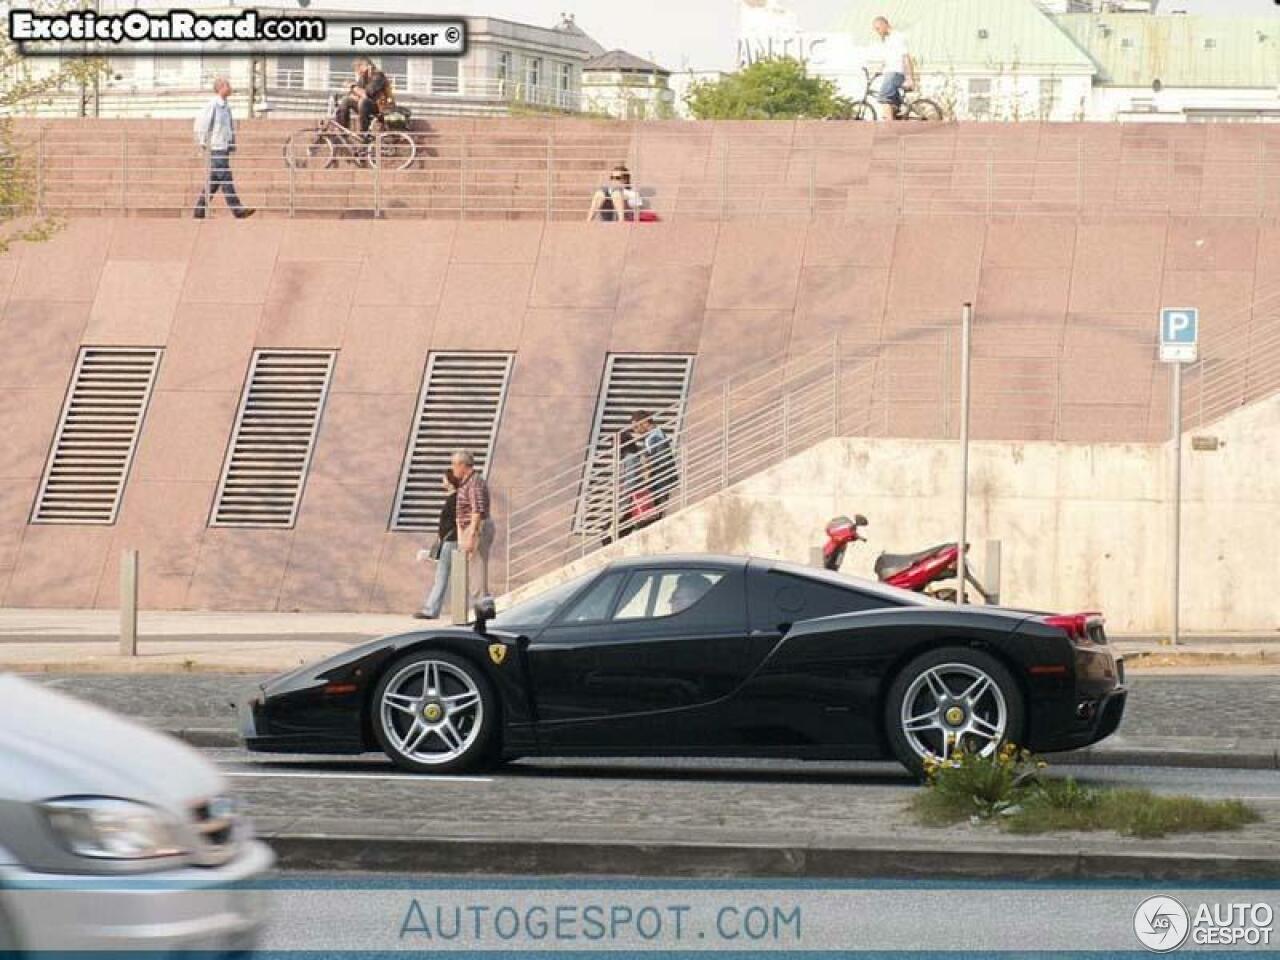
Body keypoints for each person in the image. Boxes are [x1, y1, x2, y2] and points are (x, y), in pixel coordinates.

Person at [192, 78, 254, 220]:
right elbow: (202, 123)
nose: (231, 88)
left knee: (214, 181)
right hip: (216, 147)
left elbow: (229, 128)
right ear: (221, 88)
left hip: (224, 147)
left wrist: (232, 144)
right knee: (226, 177)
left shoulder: (226, 107)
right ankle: (237, 209)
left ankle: (199, 210)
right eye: (228, 85)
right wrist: (202, 142)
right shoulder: (213, 105)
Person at [415, 471, 459, 620]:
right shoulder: (454, 498)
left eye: (444, 479)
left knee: (441, 576)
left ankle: (431, 610)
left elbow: (455, 522)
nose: (442, 482)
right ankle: (432, 609)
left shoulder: (455, 499)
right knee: (444, 576)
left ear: (451, 481)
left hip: (451, 541)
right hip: (449, 540)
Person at [452, 449, 494, 603]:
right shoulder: (466, 482)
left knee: (477, 572)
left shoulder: (474, 482)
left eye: (454, 465)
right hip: (469, 528)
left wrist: (471, 535)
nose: (453, 468)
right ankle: (480, 606)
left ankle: (482, 610)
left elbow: (477, 510)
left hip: (476, 528)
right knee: (472, 572)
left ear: (463, 465)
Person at [631, 409, 677, 524]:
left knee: (655, 515)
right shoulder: (653, 436)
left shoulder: (655, 437)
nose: (636, 431)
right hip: (659, 481)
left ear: (645, 422)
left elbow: (661, 461)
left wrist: (648, 466)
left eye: (636, 427)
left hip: (660, 482)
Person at [872, 16, 915, 122]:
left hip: (895, 73)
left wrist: (909, 78)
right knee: (893, 104)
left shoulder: (897, 37)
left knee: (884, 98)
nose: (877, 32)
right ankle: (895, 119)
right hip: (890, 72)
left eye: (878, 28)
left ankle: (889, 127)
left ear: (885, 25)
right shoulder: (886, 40)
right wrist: (879, 70)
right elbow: (887, 59)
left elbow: (906, 57)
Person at [336, 57, 391, 135]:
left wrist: (352, 87)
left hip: (380, 107)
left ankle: (364, 133)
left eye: (358, 68)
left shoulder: (378, 76)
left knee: (363, 101)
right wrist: (352, 94)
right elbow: (357, 92)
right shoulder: (363, 78)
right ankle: (343, 131)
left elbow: (367, 94)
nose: (357, 72)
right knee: (346, 100)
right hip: (367, 105)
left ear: (365, 66)